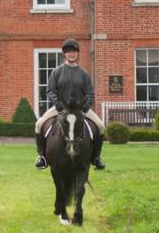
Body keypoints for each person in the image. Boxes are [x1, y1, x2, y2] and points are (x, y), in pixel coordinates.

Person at [34, 38, 106, 170]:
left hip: (80, 109)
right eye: (68, 52)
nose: (71, 54)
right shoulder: (57, 72)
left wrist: (85, 106)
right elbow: (50, 90)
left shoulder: (84, 74)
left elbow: (90, 93)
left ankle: (96, 157)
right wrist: (57, 104)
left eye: (74, 51)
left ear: (78, 53)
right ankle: (42, 157)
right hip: (61, 108)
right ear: (64, 54)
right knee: (38, 124)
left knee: (101, 126)